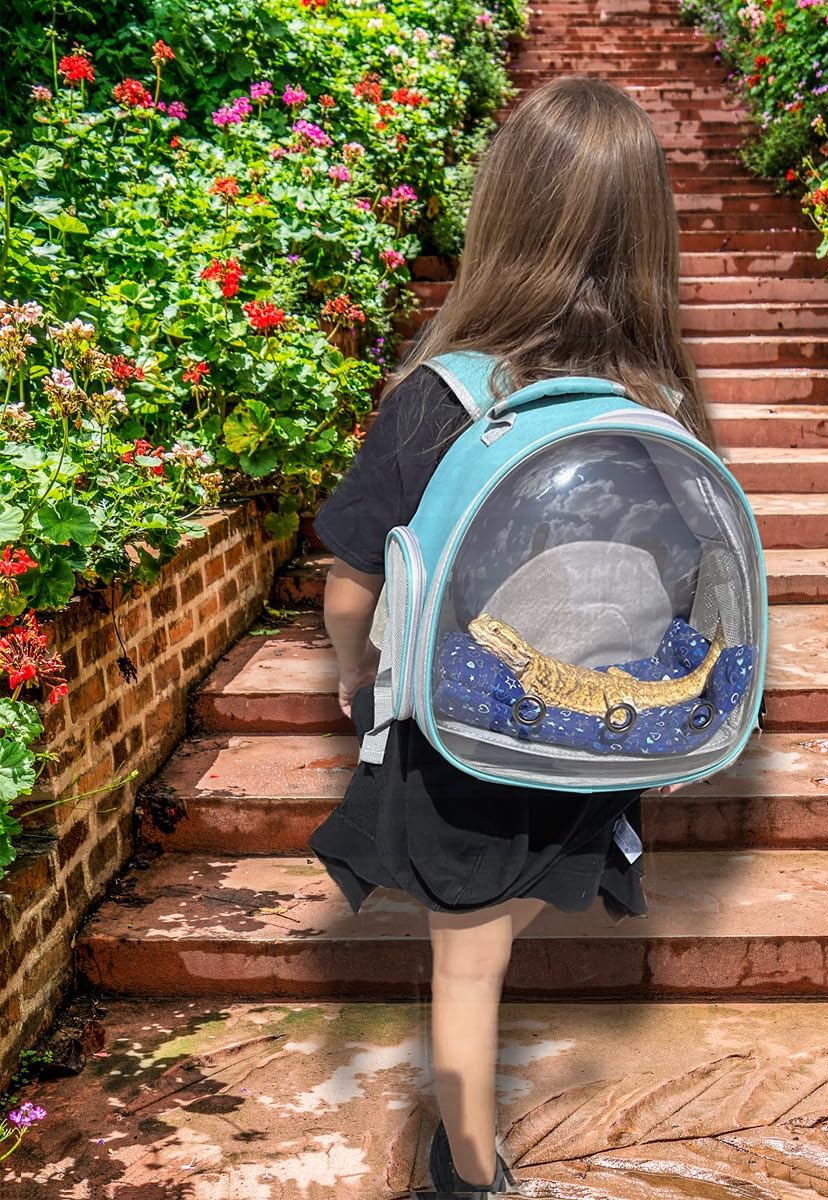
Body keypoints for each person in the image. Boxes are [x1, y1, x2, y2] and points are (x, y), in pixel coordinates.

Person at [307, 74, 718, 1195]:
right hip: (595, 728)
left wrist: (355, 674)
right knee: (503, 919)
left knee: (468, 957)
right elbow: (686, 571)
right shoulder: (659, 401)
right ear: (647, 230)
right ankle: (467, 1154)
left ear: (503, 213)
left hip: (460, 727)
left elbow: (352, 578)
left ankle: (470, 1169)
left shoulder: (437, 396)